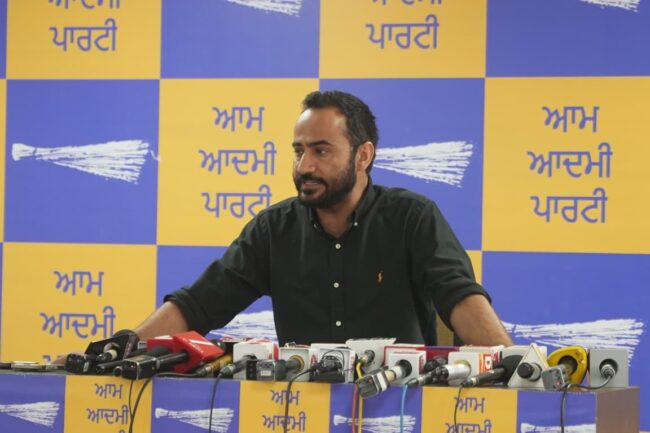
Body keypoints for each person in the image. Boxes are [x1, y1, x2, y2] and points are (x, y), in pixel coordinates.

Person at [135, 90, 512, 347]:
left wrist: (515, 368)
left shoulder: (412, 218)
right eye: (299, 151)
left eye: (321, 151)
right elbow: (199, 304)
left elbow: (459, 296)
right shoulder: (274, 229)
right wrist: (122, 348)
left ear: (362, 156)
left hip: (398, 406)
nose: (304, 166)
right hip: (299, 409)